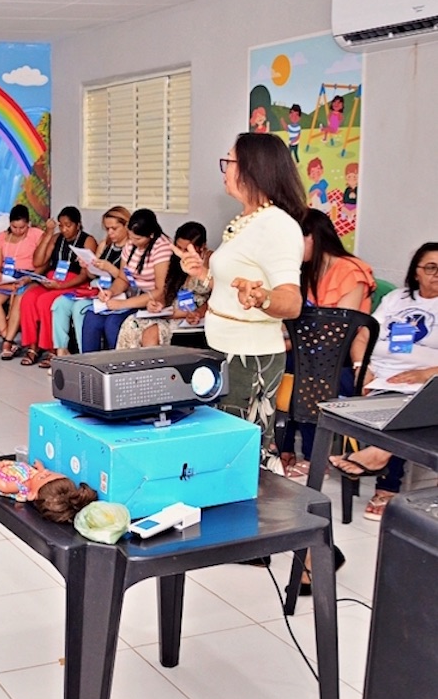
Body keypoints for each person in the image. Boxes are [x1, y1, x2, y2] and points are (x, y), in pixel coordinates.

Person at [179, 133, 307, 471]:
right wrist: (204, 272)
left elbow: (291, 303)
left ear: (252, 168)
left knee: (245, 449)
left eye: (229, 161)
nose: (224, 169)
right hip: (225, 347)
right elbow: (235, 282)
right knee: (225, 443)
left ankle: (258, 515)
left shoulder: (277, 225)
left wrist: (262, 297)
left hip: (250, 357)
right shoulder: (246, 220)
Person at [328, 242, 438, 520]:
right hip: (378, 374)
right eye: (431, 267)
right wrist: (360, 367)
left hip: (422, 382)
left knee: (404, 407)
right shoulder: (397, 299)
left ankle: (386, 484)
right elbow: (363, 334)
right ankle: (305, 456)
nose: (437, 274)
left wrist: (426, 373)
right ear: (416, 272)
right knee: (320, 382)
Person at [278, 209, 375, 476]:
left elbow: (338, 333)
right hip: (307, 351)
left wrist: (289, 343)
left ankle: (313, 456)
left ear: (312, 237)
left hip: (340, 358)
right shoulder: (306, 272)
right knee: (274, 365)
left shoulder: (351, 271)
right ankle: (283, 448)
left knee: (306, 373)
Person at [82, 209, 173, 352]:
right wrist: (111, 292)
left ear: (151, 235)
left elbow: (160, 291)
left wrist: (122, 304)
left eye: (138, 239)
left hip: (151, 303)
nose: (133, 243)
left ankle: (117, 368)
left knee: (113, 323)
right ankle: (88, 365)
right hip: (130, 296)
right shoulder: (130, 245)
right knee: (91, 317)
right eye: (131, 238)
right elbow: (123, 278)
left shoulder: (162, 248)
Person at [18, 206, 98, 367]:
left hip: (73, 282)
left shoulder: (88, 240)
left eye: (68, 225)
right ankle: (33, 346)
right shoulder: (56, 238)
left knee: (45, 301)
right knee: (28, 298)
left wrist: (61, 286)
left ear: (78, 225)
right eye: (61, 225)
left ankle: (52, 349)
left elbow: (85, 274)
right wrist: (48, 234)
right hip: (51, 280)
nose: (64, 229)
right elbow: (38, 262)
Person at [116, 221, 212, 349]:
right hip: (170, 311)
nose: (182, 253)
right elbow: (167, 291)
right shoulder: (175, 260)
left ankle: (151, 367)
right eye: (179, 248)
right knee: (130, 323)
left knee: (152, 333)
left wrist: (198, 313)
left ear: (202, 247)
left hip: (193, 316)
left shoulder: (211, 261)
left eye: (187, 249)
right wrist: (156, 305)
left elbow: (217, 295)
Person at [51, 206, 131, 359]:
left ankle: (84, 356)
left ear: (126, 225)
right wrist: (88, 266)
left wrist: (109, 268)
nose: (110, 233)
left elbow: (125, 279)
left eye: (114, 228)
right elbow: (91, 275)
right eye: (107, 229)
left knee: (80, 308)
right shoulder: (105, 244)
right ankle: (62, 350)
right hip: (97, 287)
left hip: (116, 292)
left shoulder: (130, 248)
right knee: (60, 304)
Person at [0, 204, 45, 360]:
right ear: (10, 223)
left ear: (28, 223)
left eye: (22, 227)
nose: (18, 231)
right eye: (14, 227)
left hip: (29, 276)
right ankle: (10, 339)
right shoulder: (2, 237)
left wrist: (29, 277)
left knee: (20, 297)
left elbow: (43, 261)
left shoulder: (37, 235)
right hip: (7, 277)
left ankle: (7, 343)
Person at [0, 460, 98, 522]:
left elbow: (3, 486)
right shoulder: (36, 475)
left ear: (31, 495)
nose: (44, 472)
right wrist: (40, 468)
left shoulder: (21, 486)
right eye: (49, 473)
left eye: (44, 476)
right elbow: (40, 471)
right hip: (10, 467)